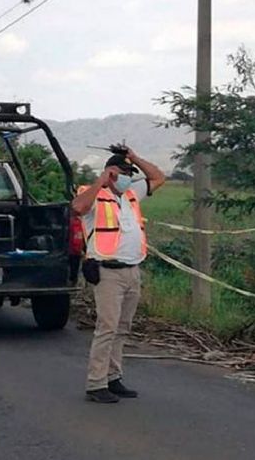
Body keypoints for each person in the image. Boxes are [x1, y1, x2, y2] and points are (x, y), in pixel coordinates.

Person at [71, 145, 166, 404]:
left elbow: (158, 177)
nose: (127, 177)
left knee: (122, 329)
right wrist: (101, 181)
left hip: (132, 270)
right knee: (107, 328)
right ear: (110, 174)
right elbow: (78, 208)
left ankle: (113, 377)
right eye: (122, 172)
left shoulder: (132, 194)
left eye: (129, 172)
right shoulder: (93, 195)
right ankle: (96, 383)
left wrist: (134, 157)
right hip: (108, 272)